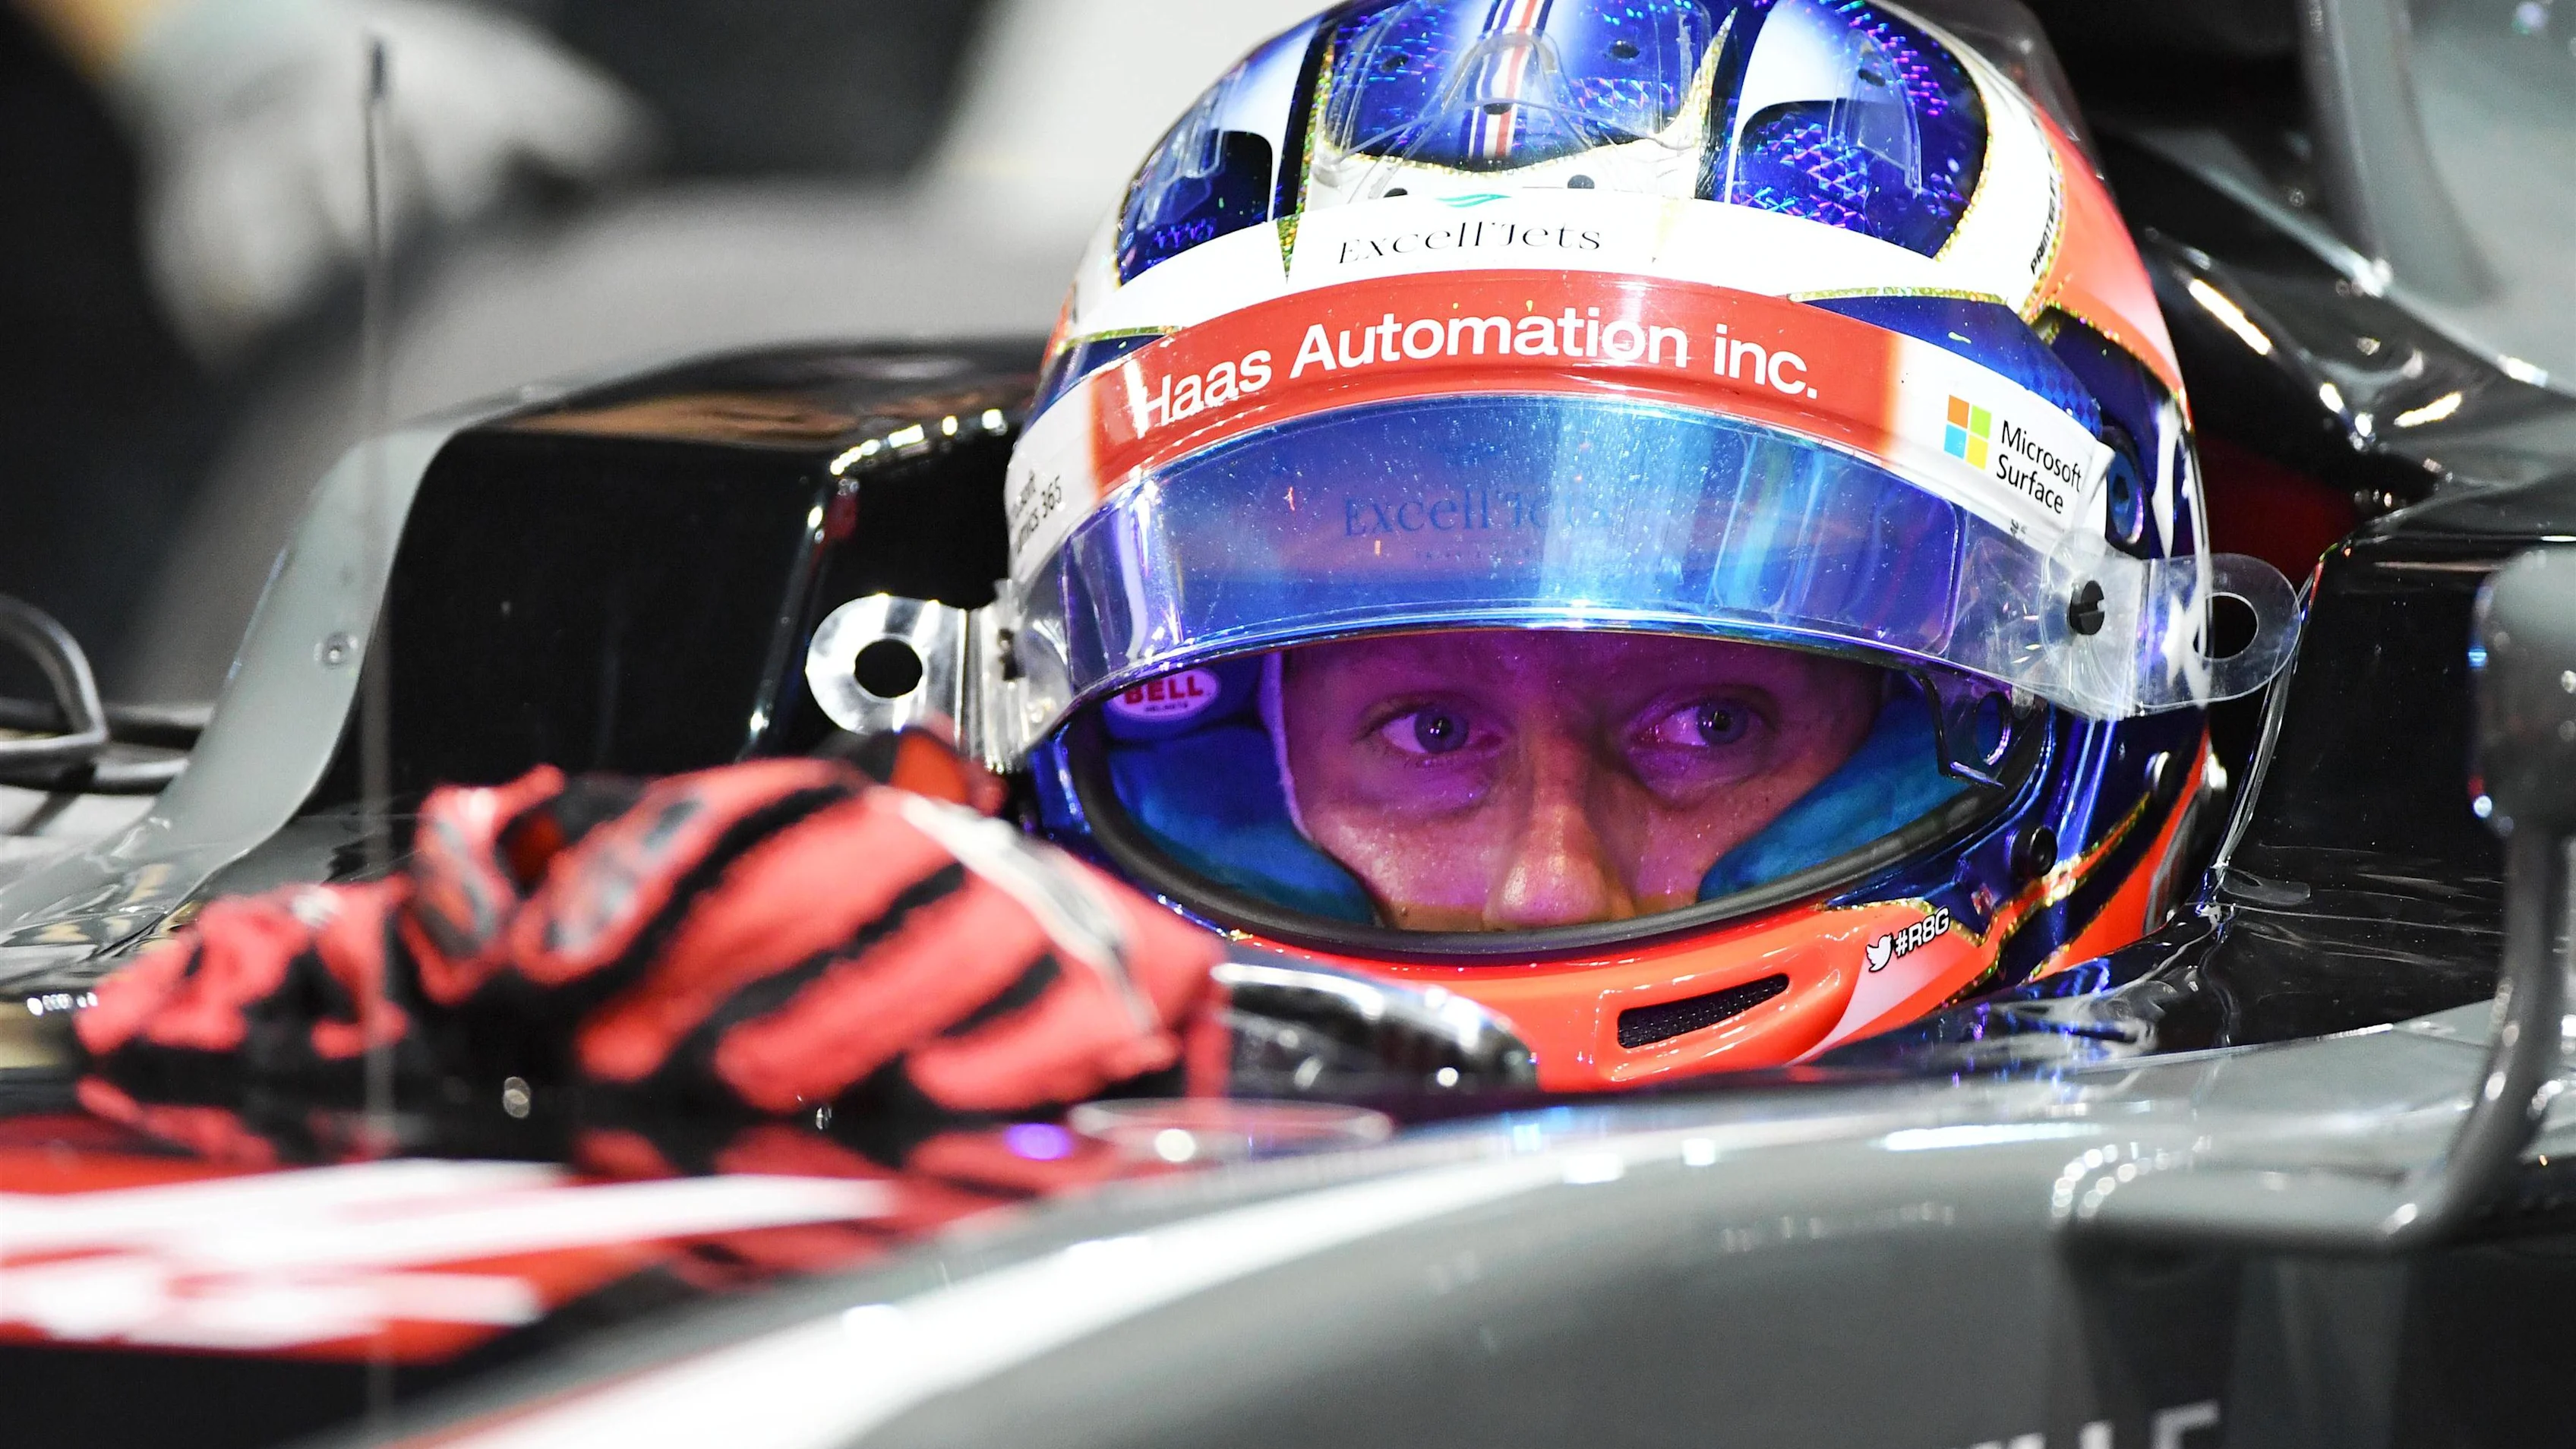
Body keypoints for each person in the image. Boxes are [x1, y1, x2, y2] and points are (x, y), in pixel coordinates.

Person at [78, 0, 2293, 1116]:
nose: (1539, 884)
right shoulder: (942, 1047)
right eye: (1419, 726)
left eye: (1709, 716)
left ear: (2082, 666)